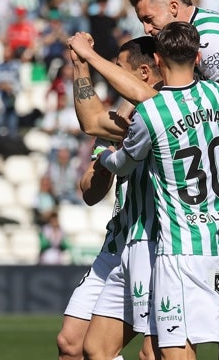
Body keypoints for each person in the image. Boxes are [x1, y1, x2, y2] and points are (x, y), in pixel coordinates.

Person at [69, 0, 219, 357]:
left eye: (150, 19)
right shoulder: (191, 46)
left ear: (175, 8)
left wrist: (186, 125)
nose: (147, 29)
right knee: (202, 229)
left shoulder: (210, 37)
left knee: (199, 227)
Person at [96, 21, 219, 360]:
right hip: (214, 245)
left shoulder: (152, 112)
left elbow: (124, 165)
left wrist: (103, 156)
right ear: (198, 55)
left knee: (173, 354)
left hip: (177, 250)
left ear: (157, 61)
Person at [57, 36, 162, 360]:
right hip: (118, 241)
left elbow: (90, 120)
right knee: (71, 344)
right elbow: (90, 192)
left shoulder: (160, 110)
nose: (114, 75)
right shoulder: (120, 115)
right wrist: (104, 166)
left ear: (143, 72)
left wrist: (82, 62)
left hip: (155, 244)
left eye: (118, 68)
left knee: (152, 353)